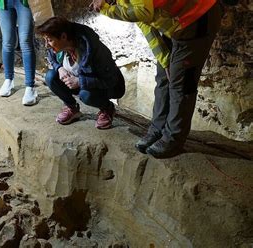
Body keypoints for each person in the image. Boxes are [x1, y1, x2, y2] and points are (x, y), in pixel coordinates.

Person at [91, 0, 222, 158]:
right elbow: (145, 23)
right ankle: (157, 130)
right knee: (164, 77)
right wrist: (165, 60)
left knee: (181, 84)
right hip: (175, 23)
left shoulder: (111, 4)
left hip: (198, 16)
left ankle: (173, 139)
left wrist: (106, 9)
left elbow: (143, 12)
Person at [37, 17, 125, 129]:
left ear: (63, 37)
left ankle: (107, 108)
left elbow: (110, 80)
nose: (46, 45)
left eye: (49, 40)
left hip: (108, 86)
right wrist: (59, 68)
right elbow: (51, 57)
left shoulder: (93, 50)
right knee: (50, 77)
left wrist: (80, 81)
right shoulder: (57, 47)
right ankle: (72, 108)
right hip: (80, 82)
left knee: (86, 95)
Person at [0, 0, 38, 105]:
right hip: (4, 2)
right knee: (7, 41)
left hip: (24, 2)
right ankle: (8, 79)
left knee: (25, 41)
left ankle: (30, 87)